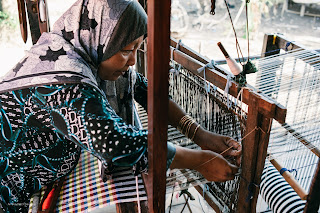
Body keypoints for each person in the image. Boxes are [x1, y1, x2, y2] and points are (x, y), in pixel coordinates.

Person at [0, 0, 241, 212]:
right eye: (126, 50)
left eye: (137, 48)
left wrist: (199, 134)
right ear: (102, 39)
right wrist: (199, 161)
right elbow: (116, 143)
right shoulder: (64, 79)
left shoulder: (86, 53)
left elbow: (148, 93)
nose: (133, 60)